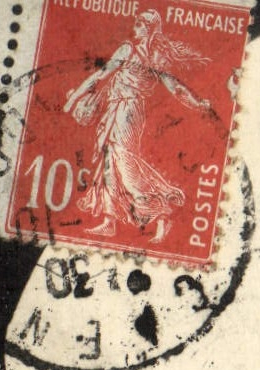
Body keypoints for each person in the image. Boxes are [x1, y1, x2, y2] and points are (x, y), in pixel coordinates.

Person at [62, 10, 212, 241]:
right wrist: (74, 98)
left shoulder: (153, 57)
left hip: (129, 111)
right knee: (108, 162)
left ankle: (161, 212)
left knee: (124, 163)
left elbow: (176, 88)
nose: (135, 27)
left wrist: (198, 103)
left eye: (140, 24)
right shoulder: (129, 49)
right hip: (115, 108)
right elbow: (101, 75)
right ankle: (109, 221)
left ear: (150, 28)